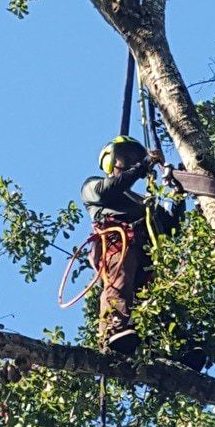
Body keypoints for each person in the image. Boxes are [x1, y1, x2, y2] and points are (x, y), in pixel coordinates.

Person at [81, 136, 205, 370]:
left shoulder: (143, 202)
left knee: (160, 295)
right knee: (121, 279)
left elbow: (170, 227)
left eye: (134, 159)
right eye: (125, 158)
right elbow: (108, 190)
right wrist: (143, 165)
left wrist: (178, 194)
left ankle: (177, 346)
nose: (130, 163)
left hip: (147, 252)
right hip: (119, 244)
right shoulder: (94, 186)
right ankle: (114, 329)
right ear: (110, 161)